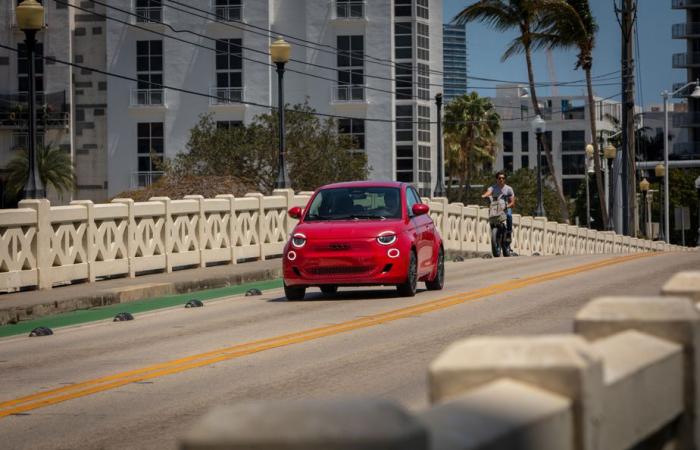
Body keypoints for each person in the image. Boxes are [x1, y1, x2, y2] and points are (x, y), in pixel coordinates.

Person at [482, 171, 516, 253]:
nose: (501, 179)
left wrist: (507, 206)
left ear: (505, 179)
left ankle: (508, 234)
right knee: (491, 218)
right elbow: (488, 192)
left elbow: (512, 202)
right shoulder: (493, 188)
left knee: (509, 216)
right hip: (495, 208)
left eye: (503, 178)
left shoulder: (509, 189)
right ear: (496, 179)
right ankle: (495, 236)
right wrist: (484, 195)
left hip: (505, 207)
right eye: (499, 178)